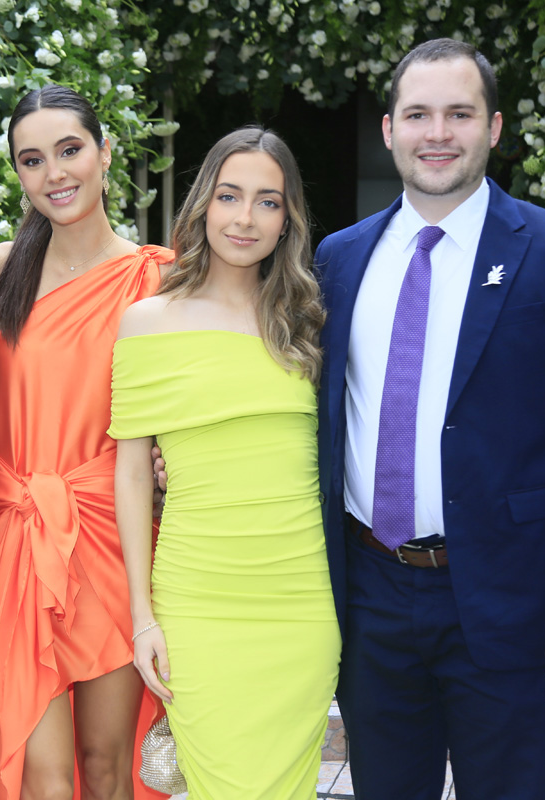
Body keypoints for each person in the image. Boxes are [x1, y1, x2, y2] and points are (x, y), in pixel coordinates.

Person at [314, 38, 545, 799]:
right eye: (419, 114)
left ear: (493, 129)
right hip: (369, 599)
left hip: (513, 605)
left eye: (459, 114)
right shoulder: (337, 259)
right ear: (389, 131)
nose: (438, 133)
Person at [111, 127, 339, 799]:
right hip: (197, 601)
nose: (245, 218)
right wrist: (141, 615)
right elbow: (129, 472)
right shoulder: (146, 322)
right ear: (203, 205)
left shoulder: (309, 323)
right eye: (230, 196)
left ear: (287, 219)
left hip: (301, 606)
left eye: (267, 202)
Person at [0, 84, 173, 800]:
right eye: (33, 159)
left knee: (107, 764)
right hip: (16, 540)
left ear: (105, 153)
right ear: (19, 175)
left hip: (115, 542)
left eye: (70, 150)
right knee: (41, 779)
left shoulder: (161, 279)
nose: (54, 173)